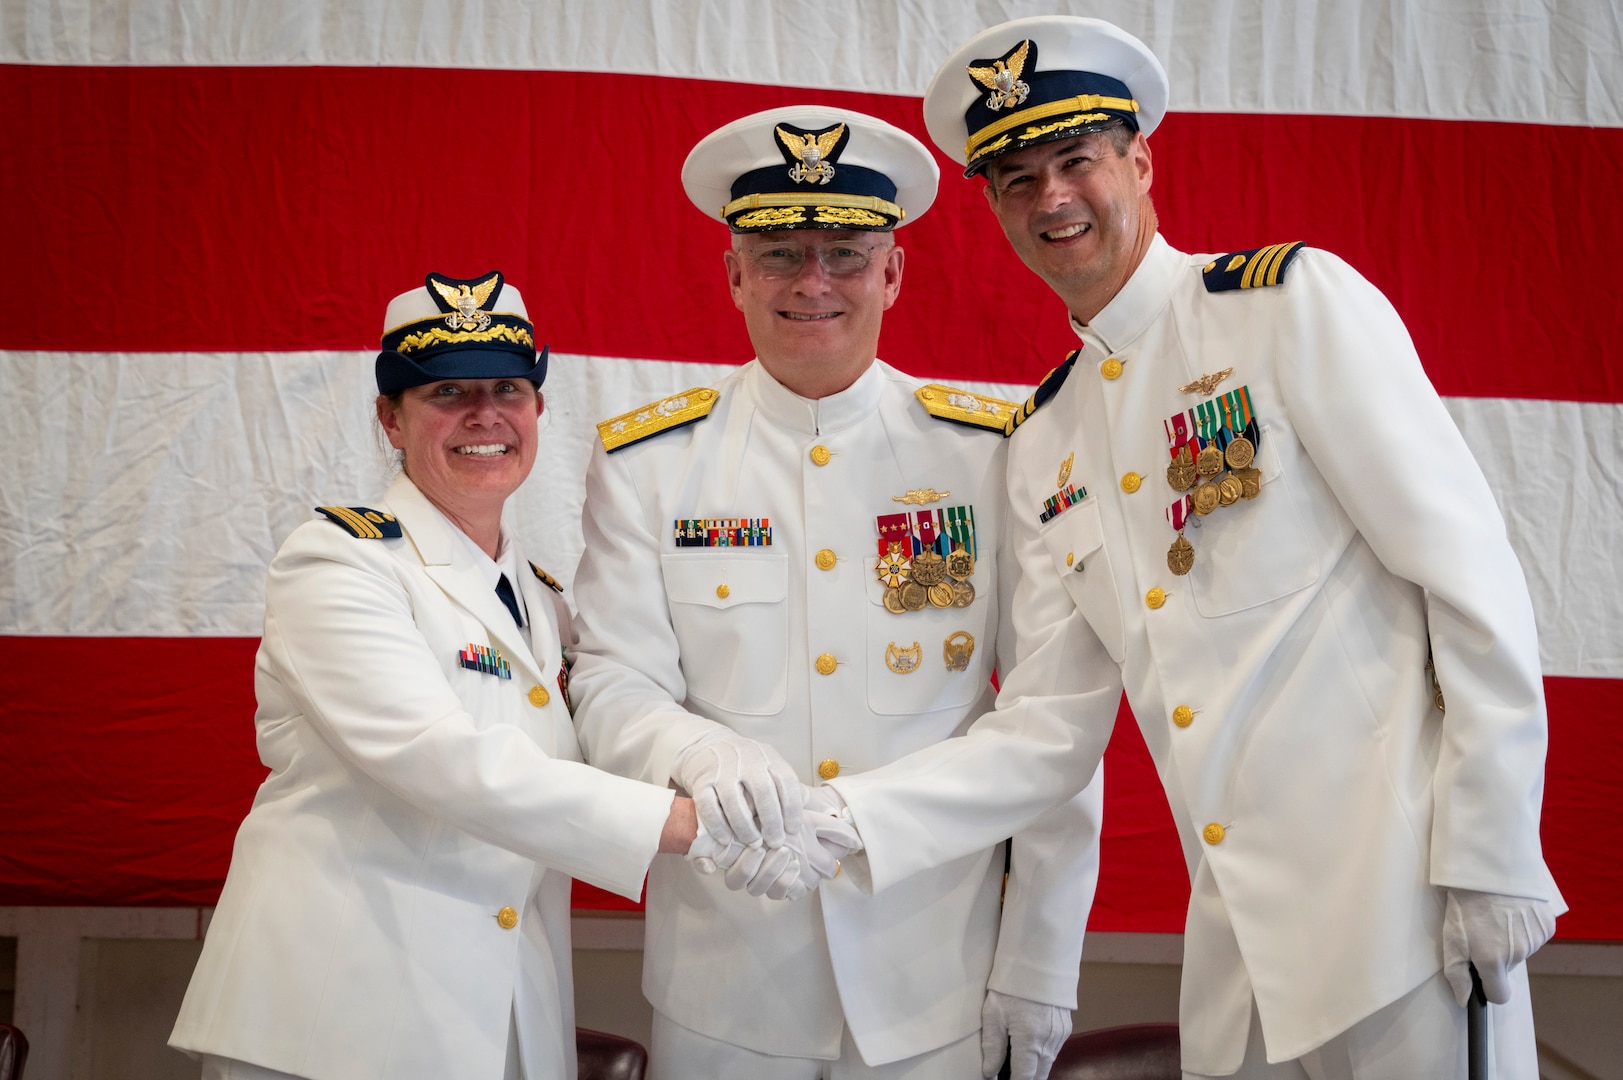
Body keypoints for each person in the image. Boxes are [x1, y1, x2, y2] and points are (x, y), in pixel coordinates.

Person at [820, 16, 1566, 1080]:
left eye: (1076, 160)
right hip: (1236, 961)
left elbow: (1469, 572)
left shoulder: (1288, 307)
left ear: (1141, 160)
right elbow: (1047, 730)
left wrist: (1496, 848)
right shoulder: (1046, 441)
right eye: (1017, 181)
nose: (1053, 200)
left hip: (1409, 913)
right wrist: (850, 813)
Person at [567, 106, 1102, 1080]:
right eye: (778, 255)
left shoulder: (995, 452)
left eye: (847, 254)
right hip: (724, 981)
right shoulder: (648, 461)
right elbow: (610, 681)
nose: (813, 282)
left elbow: (1052, 723)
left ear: (893, 274)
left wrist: (1039, 963)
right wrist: (701, 747)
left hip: (937, 978)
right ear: (733, 275)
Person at [168, 271, 743, 1080]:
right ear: (389, 419)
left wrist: (724, 762)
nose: (485, 415)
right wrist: (693, 824)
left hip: (499, 1014)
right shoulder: (337, 562)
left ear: (538, 411)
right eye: (447, 391)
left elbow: (613, 724)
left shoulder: (539, 600)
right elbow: (441, 761)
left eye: (508, 387)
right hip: (335, 1017)